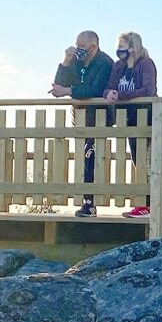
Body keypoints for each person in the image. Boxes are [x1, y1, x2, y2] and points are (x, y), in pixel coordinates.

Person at [50, 30, 115, 217]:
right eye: (76, 46)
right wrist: (66, 61)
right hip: (80, 118)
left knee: (92, 157)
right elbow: (58, 85)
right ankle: (87, 202)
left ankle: (90, 203)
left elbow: (95, 89)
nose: (78, 50)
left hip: (99, 118)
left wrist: (68, 90)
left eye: (82, 47)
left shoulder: (104, 63)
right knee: (83, 158)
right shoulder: (76, 62)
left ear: (93, 47)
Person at [103, 31, 158, 219]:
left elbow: (149, 90)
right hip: (129, 119)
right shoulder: (119, 66)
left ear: (133, 47)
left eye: (122, 46)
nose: (119, 50)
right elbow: (110, 86)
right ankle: (143, 204)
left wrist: (122, 95)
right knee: (137, 161)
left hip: (148, 117)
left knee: (149, 162)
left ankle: (150, 206)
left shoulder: (146, 64)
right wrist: (109, 93)